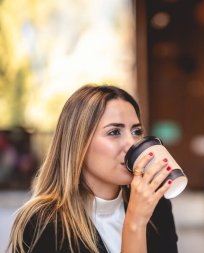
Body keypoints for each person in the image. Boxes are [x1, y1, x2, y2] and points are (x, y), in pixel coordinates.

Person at [7, 84, 178, 253]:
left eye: (136, 131)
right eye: (114, 132)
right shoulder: (44, 223)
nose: (132, 144)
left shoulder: (156, 207)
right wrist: (135, 223)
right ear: (79, 144)